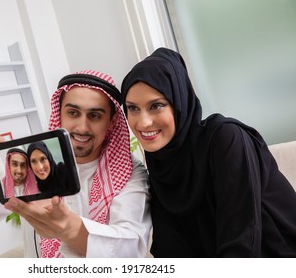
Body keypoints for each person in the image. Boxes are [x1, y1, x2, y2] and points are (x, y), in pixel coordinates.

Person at [0, 70, 151, 258]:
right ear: (59, 113)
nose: (82, 127)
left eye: (95, 116)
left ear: (112, 121)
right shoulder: (31, 165)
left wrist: (71, 230)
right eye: (73, 113)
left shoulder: (131, 174)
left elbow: (131, 247)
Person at [121, 47, 296, 258]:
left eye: (156, 105)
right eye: (132, 108)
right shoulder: (162, 161)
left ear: (179, 103)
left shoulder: (226, 138)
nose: (143, 122)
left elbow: (242, 242)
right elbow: (171, 251)